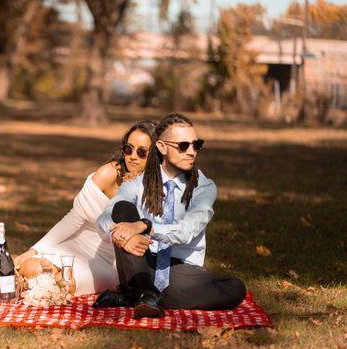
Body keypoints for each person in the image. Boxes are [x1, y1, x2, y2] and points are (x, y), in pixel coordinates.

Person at [94, 113, 246, 318]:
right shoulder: (139, 182)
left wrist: (146, 226)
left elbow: (186, 231)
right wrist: (120, 235)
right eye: (183, 146)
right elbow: (105, 217)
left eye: (196, 145)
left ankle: (141, 296)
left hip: (180, 269)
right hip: (140, 261)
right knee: (122, 210)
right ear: (162, 147)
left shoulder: (204, 187)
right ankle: (146, 291)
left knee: (235, 288)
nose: (191, 152)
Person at [14, 121, 156, 295]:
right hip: (77, 245)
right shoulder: (108, 173)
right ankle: (42, 280)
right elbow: (73, 219)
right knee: (31, 268)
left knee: (67, 284)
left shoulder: (161, 189)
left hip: (111, 262)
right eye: (129, 149)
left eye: (142, 152)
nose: (133, 156)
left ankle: (46, 286)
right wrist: (33, 250)